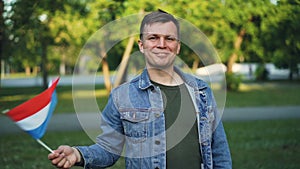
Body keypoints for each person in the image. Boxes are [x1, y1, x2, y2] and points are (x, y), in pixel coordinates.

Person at [48, 10, 232, 169]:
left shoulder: (201, 90)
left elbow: (219, 150)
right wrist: (78, 154)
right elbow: (108, 148)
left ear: (177, 47)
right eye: (153, 38)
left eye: (169, 38)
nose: (162, 44)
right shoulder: (122, 96)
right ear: (141, 45)